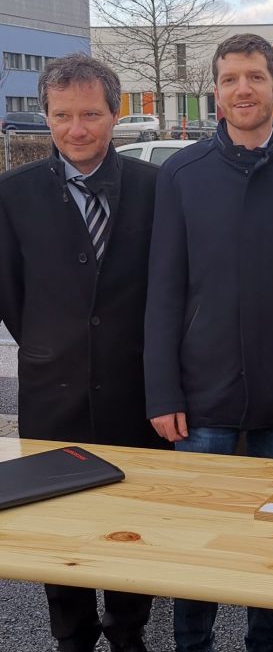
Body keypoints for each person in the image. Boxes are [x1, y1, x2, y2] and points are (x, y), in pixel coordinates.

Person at [144, 33, 273, 652]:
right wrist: (162, 390)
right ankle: (191, 645)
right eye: (230, 79)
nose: (243, 90)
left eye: (255, 77)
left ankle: (267, 645)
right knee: (195, 544)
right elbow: (164, 290)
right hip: (200, 398)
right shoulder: (181, 174)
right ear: (215, 91)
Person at [0, 53, 164, 651]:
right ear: (46, 116)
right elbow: (11, 292)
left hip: (134, 389)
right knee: (57, 520)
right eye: (62, 115)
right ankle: (71, 634)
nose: (76, 129)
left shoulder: (154, 188)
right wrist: (53, 343)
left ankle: (128, 629)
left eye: (90, 114)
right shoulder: (13, 194)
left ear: (115, 115)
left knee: (130, 517)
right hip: (54, 391)